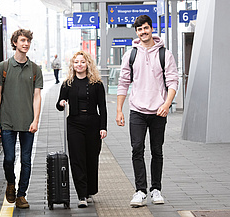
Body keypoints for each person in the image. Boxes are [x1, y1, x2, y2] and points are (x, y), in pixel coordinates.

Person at [116, 15, 178, 207]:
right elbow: (123, 83)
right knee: (137, 150)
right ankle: (140, 190)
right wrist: (119, 110)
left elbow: (173, 81)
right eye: (139, 29)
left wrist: (167, 104)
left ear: (151, 29)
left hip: (159, 110)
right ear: (136, 32)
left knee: (157, 151)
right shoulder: (130, 55)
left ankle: (156, 189)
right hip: (137, 110)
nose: (143, 32)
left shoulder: (165, 54)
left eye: (146, 28)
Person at [0, 29, 43, 209]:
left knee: (26, 160)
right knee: (9, 159)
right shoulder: (3, 68)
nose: (26, 44)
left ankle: (22, 195)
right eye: (22, 40)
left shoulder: (36, 69)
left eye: (28, 41)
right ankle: (11, 184)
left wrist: (36, 119)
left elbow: (37, 96)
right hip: (7, 121)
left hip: (27, 122)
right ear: (15, 43)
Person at [56, 50, 107, 208]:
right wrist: (62, 103)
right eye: (76, 62)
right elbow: (59, 104)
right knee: (77, 159)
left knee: (91, 158)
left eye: (82, 62)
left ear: (88, 64)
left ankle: (90, 190)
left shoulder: (96, 84)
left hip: (93, 123)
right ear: (73, 64)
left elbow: (103, 108)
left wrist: (103, 127)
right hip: (75, 124)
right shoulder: (67, 84)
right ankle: (81, 195)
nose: (79, 64)